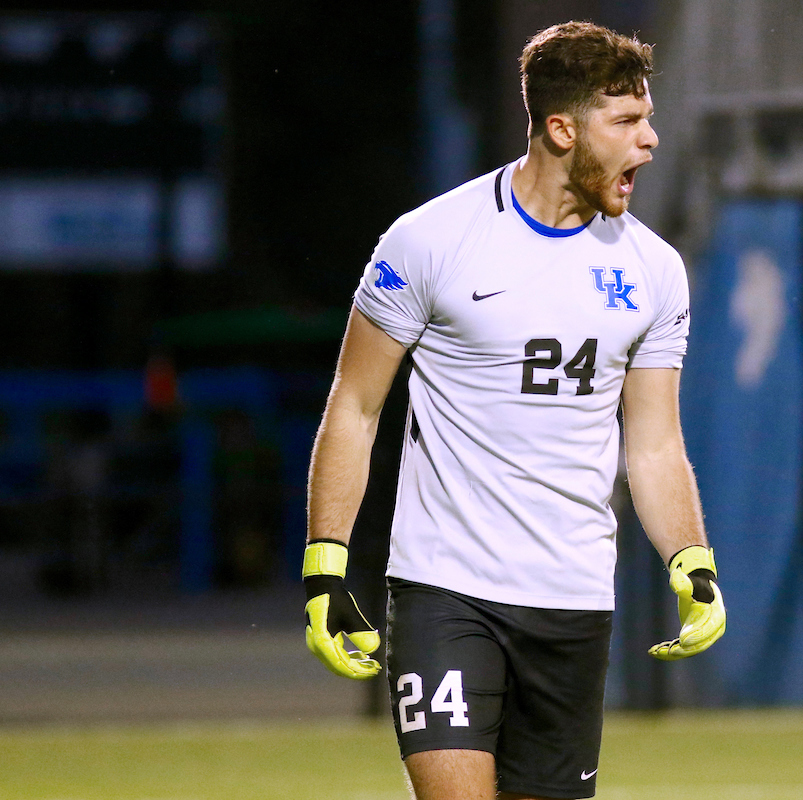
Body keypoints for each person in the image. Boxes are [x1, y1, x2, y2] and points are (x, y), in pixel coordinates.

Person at [301, 20, 726, 800]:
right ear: (562, 129)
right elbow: (355, 406)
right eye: (627, 122)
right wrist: (325, 564)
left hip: (572, 598)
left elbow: (656, 444)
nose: (652, 141)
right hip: (445, 591)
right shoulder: (428, 242)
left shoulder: (654, 270)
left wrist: (690, 561)